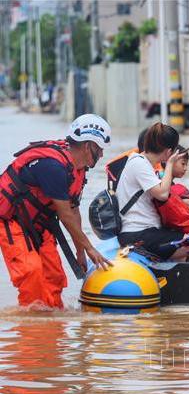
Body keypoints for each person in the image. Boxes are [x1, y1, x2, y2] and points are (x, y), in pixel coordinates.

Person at [0, 114, 113, 308]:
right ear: (87, 146)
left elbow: (74, 210)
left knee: (55, 276)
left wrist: (80, 252)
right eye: (99, 149)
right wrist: (90, 248)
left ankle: (53, 328)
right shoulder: (53, 167)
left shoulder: (78, 168)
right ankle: (30, 329)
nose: (101, 155)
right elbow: (65, 215)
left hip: (40, 224)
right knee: (31, 273)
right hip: (12, 221)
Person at [116, 122, 189, 261]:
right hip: (138, 234)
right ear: (169, 152)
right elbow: (162, 195)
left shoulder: (143, 163)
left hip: (147, 232)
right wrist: (169, 164)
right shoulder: (139, 163)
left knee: (188, 240)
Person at [154, 144, 189, 233]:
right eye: (183, 163)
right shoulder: (159, 181)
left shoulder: (168, 182)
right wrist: (180, 204)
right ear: (168, 160)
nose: (185, 168)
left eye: (186, 164)